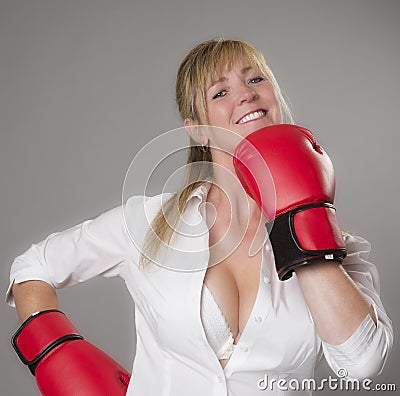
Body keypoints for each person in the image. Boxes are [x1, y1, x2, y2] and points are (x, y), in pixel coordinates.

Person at [6, 38, 393, 395]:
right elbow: (33, 266)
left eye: (255, 78)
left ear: (275, 99)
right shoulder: (149, 223)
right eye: (221, 92)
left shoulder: (338, 247)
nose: (246, 95)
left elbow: (362, 364)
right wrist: (55, 351)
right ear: (197, 129)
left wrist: (302, 220)